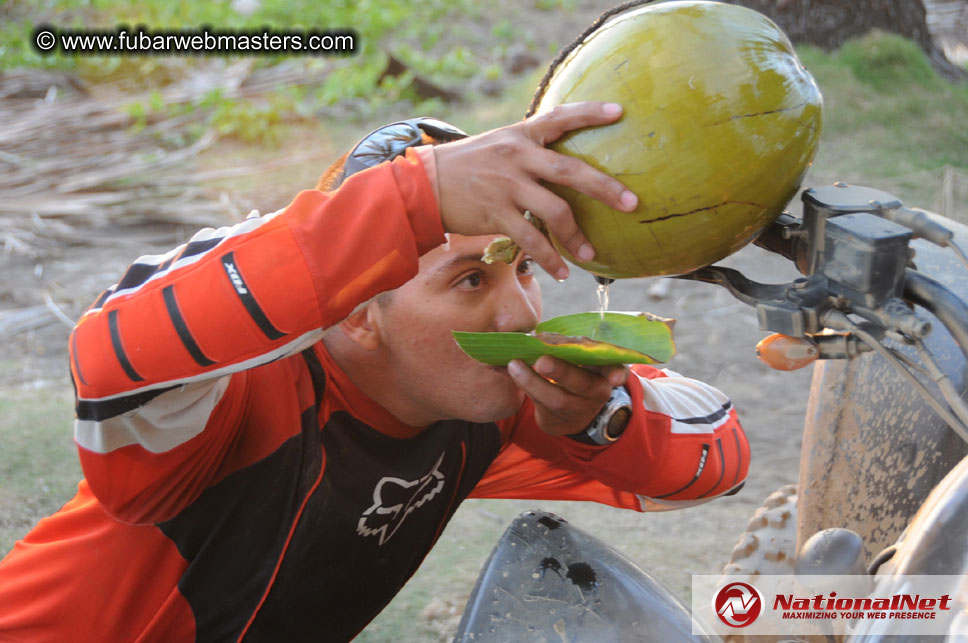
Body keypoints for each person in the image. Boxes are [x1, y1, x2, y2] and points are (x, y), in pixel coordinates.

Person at [0, 102, 748, 642]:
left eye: (520, 268)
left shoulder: (494, 407)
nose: (521, 314)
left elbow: (718, 458)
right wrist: (414, 197)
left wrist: (598, 420)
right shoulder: (236, 397)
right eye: (469, 281)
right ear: (356, 310)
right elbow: (111, 355)